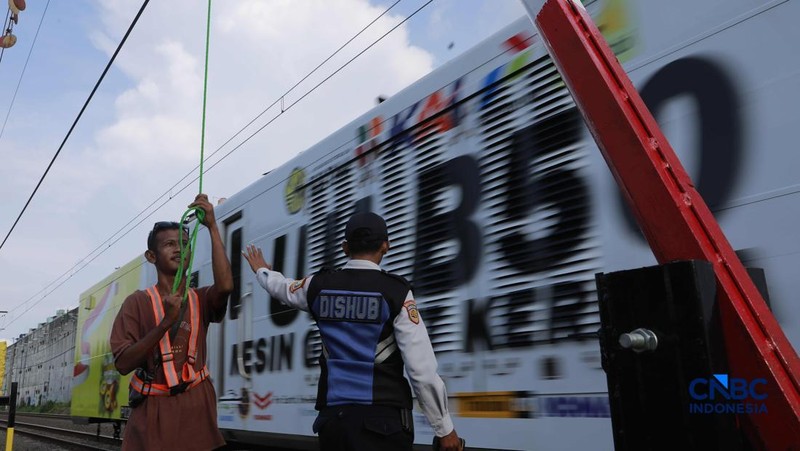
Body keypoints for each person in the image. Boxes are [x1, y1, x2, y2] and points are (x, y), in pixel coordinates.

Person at [243, 211, 463, 451]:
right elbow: (421, 370)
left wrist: (262, 272)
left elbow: (282, 288)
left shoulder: (318, 285)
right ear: (385, 246)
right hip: (383, 426)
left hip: (334, 426)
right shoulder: (396, 292)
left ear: (345, 247)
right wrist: (444, 429)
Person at [111, 193, 233, 451]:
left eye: (185, 243)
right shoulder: (137, 303)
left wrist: (212, 226)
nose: (180, 249)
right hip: (154, 417)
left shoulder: (199, 298)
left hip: (198, 413)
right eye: (169, 244)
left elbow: (226, 287)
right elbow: (123, 363)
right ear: (151, 256)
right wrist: (166, 322)